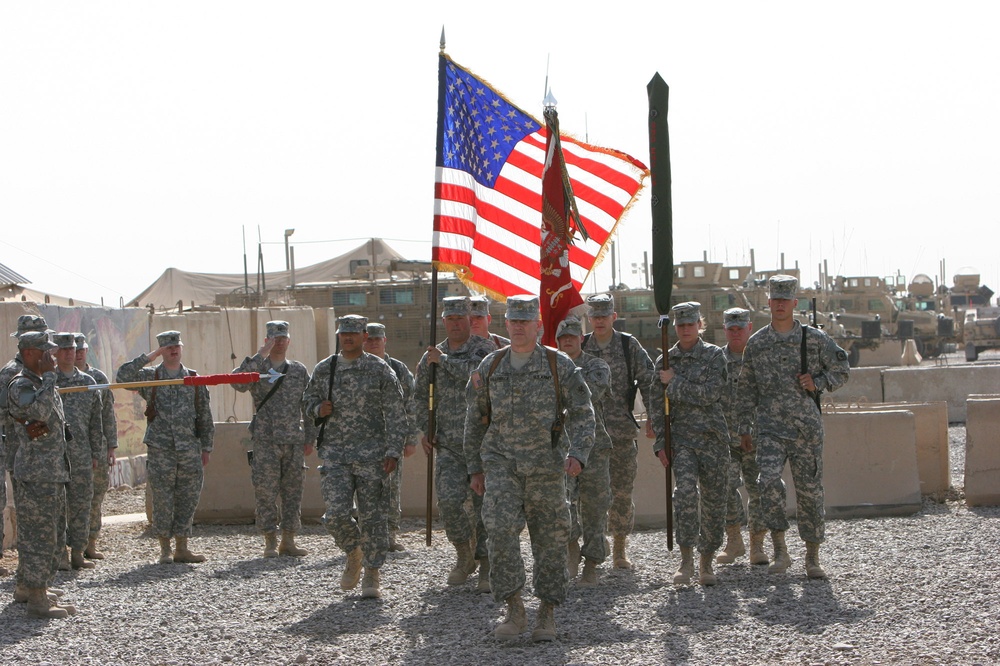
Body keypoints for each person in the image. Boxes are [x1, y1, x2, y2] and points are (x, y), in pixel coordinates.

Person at [465, 295, 595, 642]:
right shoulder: (490, 367)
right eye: (514, 321)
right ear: (505, 324)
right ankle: (515, 610)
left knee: (550, 541)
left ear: (538, 326)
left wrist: (579, 453)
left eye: (526, 321)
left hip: (547, 467)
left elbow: (583, 412)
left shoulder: (558, 365)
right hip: (501, 465)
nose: (520, 327)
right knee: (500, 532)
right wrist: (474, 468)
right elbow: (475, 420)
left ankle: (547, 615)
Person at [737, 275, 850, 579]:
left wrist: (819, 382)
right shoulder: (758, 343)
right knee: (767, 483)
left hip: (805, 429)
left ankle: (812, 557)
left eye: (786, 300)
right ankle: (780, 550)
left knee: (810, 491)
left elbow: (842, 367)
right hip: (770, 429)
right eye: (776, 300)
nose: (780, 305)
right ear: (769, 302)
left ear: (794, 303)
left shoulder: (813, 339)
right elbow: (745, 389)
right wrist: (743, 427)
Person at [302, 314, 406, 599]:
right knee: (335, 514)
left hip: (372, 455)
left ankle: (372, 573)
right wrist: (316, 409)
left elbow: (396, 414)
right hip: (336, 454)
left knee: (373, 517)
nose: (347, 338)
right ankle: (354, 552)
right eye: (343, 333)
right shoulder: (326, 368)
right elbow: (307, 401)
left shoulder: (379, 369)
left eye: (353, 333)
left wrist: (393, 451)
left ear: (364, 335)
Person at [414, 296, 495, 590]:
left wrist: (444, 362)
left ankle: (487, 563)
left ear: (469, 320)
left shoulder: (483, 349)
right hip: (448, 444)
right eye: (450, 319)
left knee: (485, 505)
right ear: (444, 321)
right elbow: (420, 395)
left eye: (461, 318)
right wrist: (427, 427)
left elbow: (477, 379)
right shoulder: (431, 357)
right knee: (448, 502)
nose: (456, 324)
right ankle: (464, 556)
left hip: (481, 444)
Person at [116, 330, 214, 565]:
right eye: (167, 347)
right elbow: (122, 377)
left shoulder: (192, 377)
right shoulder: (152, 377)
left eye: (176, 346)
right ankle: (164, 549)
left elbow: (204, 414)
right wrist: (150, 356)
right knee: (162, 498)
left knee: (188, 497)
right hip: (161, 448)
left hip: (189, 447)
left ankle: (182, 546)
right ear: (161, 351)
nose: (173, 350)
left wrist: (206, 446)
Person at [650, 302, 730, 586]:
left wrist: (676, 383)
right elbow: (656, 405)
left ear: (700, 324)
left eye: (690, 324)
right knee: (684, 493)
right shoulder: (665, 362)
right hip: (681, 440)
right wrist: (661, 442)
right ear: (675, 327)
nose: (685, 329)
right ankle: (685, 560)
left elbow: (711, 394)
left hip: (713, 439)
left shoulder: (714, 356)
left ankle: (706, 560)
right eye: (680, 325)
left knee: (713, 501)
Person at [232, 321, 317, 558]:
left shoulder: (299, 370)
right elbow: (237, 382)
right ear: (266, 341)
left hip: (293, 440)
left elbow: (308, 405)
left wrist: (310, 437)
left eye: (282, 338)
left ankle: (288, 540)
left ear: (289, 341)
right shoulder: (257, 367)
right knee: (265, 492)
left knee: (293, 492)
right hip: (265, 440)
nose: (278, 342)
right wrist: (260, 355)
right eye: (273, 339)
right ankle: (270, 541)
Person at [582, 293, 654, 569]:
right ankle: (594, 545)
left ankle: (620, 547)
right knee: (590, 495)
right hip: (588, 434)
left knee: (621, 492)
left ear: (613, 317)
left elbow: (647, 380)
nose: (599, 321)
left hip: (621, 432)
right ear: (589, 319)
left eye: (604, 316)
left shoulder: (627, 345)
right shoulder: (581, 347)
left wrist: (653, 418)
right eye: (595, 316)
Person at [7, 331, 76, 618]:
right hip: (36, 474)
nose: (53, 357)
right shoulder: (21, 384)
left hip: (51, 471)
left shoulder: (38, 382)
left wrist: (47, 379)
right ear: (31, 354)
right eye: (46, 352)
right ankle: (37, 600)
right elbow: (40, 413)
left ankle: (31, 586)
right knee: (40, 535)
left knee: (53, 531)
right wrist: (50, 378)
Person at [555, 315, 612, 587]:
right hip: (561, 449)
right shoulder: (551, 366)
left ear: (581, 338)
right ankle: (571, 549)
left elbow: (589, 395)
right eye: (563, 338)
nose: (568, 341)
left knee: (595, 508)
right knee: (563, 506)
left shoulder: (596, 366)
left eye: (572, 336)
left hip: (594, 448)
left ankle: (592, 562)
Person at [1, 315, 53, 577]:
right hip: (23, 453)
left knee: (42, 521)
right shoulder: (14, 374)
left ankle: (35, 576)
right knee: (32, 521)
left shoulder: (39, 374)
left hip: (44, 455)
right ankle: (29, 578)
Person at [715, 309, 767, 566]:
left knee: (758, 490)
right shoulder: (716, 360)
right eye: (731, 329)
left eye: (740, 328)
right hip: (726, 437)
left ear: (749, 327)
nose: (736, 333)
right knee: (726, 487)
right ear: (724, 330)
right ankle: (734, 539)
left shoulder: (760, 358)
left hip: (757, 436)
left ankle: (758, 544)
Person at [362, 322, 418, 552]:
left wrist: (411, 438)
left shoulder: (398, 368)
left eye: (378, 339)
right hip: (362, 440)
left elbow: (411, 404)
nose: (374, 343)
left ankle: (390, 534)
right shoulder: (357, 367)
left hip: (392, 440)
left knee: (392, 488)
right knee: (365, 489)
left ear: (385, 341)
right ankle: (367, 535)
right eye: (369, 339)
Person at [52, 333, 103, 571]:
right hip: (54, 454)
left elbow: (96, 423)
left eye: (71, 349)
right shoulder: (48, 381)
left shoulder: (88, 382)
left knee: (82, 504)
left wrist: (96, 453)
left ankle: (78, 552)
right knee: (58, 506)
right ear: (55, 353)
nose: (69, 353)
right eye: (63, 350)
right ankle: (60, 553)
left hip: (81, 454)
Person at [73, 333, 118, 561]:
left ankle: (91, 542)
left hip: (97, 447)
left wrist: (111, 445)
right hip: (72, 449)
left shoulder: (97, 377)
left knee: (96, 495)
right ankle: (71, 546)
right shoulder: (60, 378)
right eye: (75, 349)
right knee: (73, 498)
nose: (79, 353)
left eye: (82, 349)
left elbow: (108, 414)